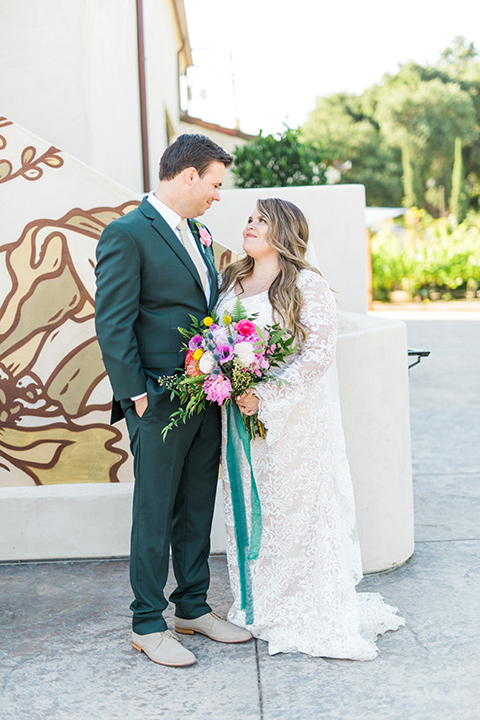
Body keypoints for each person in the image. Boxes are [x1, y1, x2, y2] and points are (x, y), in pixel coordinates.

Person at [216, 198, 404, 660]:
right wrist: (227, 380)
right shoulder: (233, 279)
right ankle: (263, 603)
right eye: (249, 219)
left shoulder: (306, 284)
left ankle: (311, 606)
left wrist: (267, 396)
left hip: (294, 420)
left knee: (297, 509)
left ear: (283, 231)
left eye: (261, 220)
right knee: (254, 507)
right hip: (240, 417)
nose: (250, 225)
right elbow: (218, 339)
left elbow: (318, 353)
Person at [94, 134, 252, 668]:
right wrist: (137, 396)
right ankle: (146, 621)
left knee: (196, 506)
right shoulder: (127, 233)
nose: (217, 195)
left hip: (205, 396)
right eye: (213, 183)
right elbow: (113, 324)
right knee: (154, 510)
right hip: (157, 400)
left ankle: (193, 607)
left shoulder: (200, 234)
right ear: (188, 176)